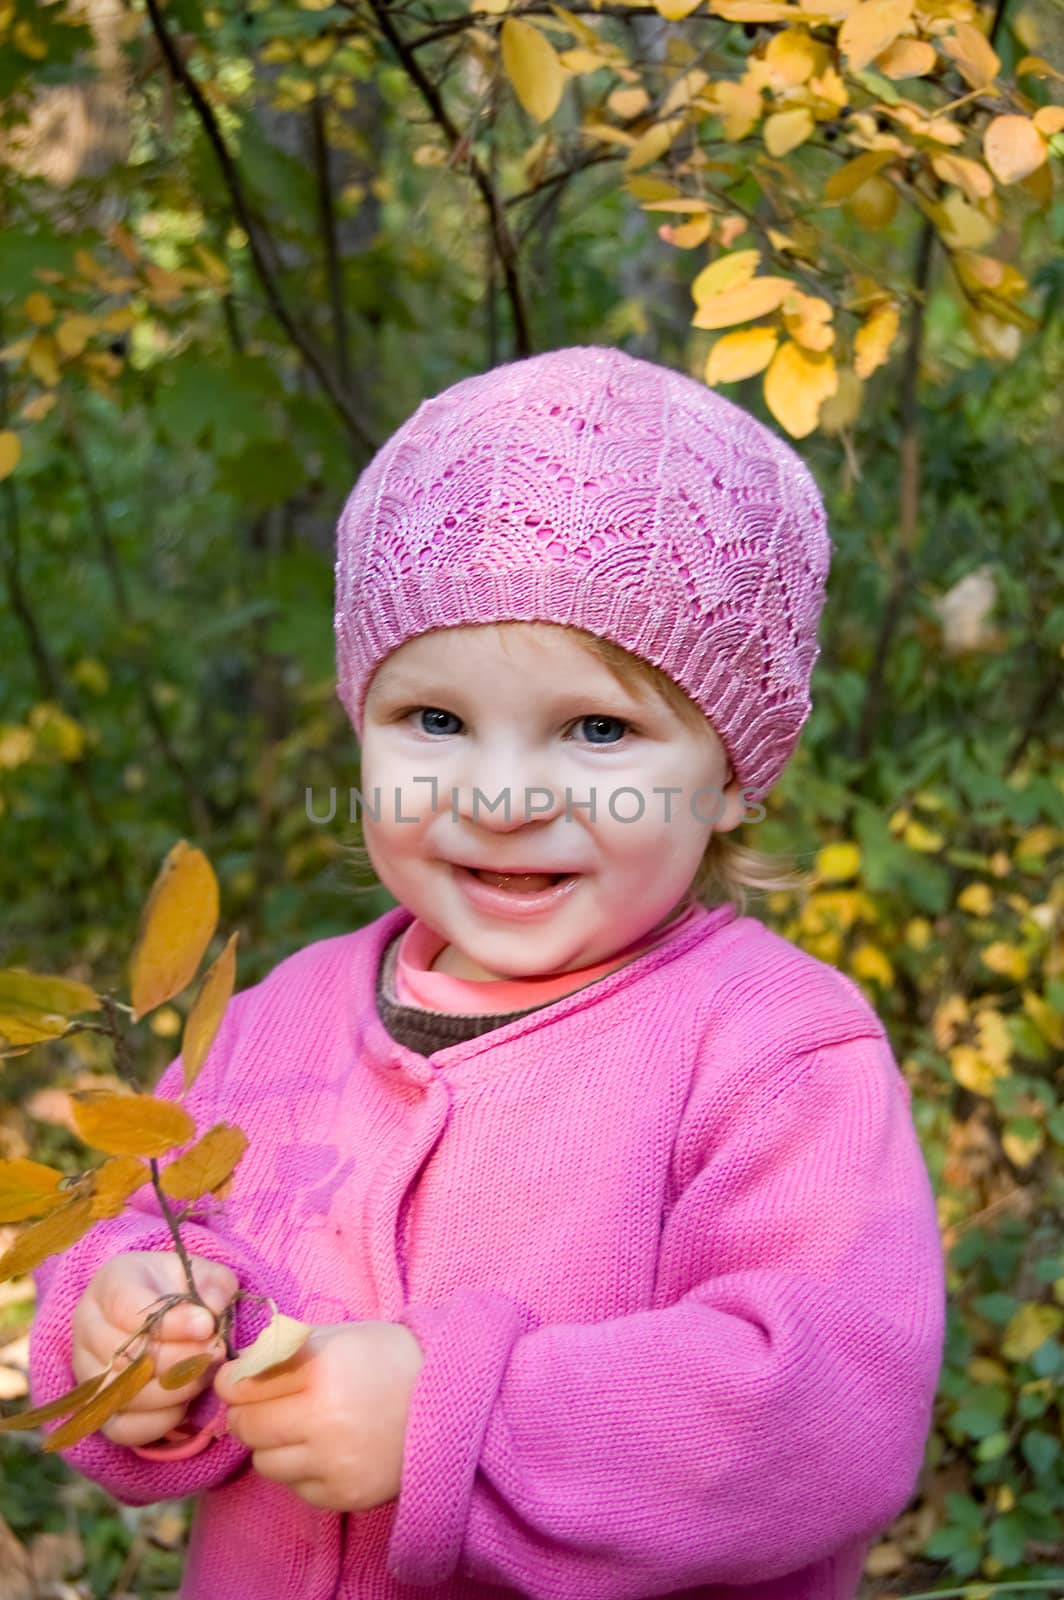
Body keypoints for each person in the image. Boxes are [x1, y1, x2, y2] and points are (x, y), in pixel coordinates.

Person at [28, 345, 947, 1600]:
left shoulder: (773, 1046)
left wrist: (453, 1419)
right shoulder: (270, 1018)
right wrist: (137, 1320)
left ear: (733, 771)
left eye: (598, 730)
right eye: (436, 721)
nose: (501, 796)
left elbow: (822, 1401)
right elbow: (159, 1226)